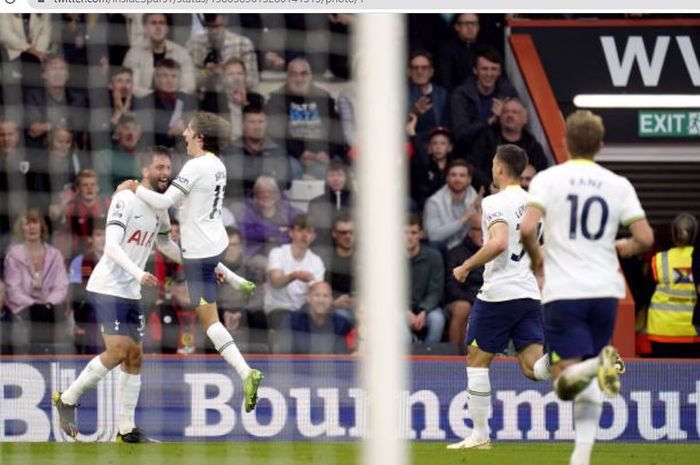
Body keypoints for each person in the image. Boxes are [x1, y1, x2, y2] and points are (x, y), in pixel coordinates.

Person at [520, 110, 654, 465]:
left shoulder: (548, 180)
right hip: (606, 291)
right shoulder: (617, 184)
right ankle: (581, 457)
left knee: (565, 383)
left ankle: (595, 369)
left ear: (564, 143)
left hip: (565, 291)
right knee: (587, 385)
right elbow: (645, 237)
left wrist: (536, 259)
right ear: (600, 145)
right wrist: (622, 247)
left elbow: (526, 229)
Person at [118, 112, 263, 412]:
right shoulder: (218, 165)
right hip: (216, 242)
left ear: (200, 137)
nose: (184, 133)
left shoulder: (196, 166)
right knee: (186, 256)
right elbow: (191, 199)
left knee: (210, 323)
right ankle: (235, 278)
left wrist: (134, 187)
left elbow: (163, 202)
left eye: (189, 129)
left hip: (199, 250)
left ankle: (247, 372)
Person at [52, 147, 182, 442]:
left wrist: (197, 261)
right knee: (118, 352)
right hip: (109, 285)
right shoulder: (125, 198)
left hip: (132, 290)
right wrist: (138, 274)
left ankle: (125, 431)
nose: (165, 174)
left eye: (167, 168)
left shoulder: (160, 206)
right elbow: (111, 246)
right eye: (159, 167)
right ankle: (68, 399)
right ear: (144, 170)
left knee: (135, 357)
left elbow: (165, 245)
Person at [447, 144, 551, 450]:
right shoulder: (537, 203)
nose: (492, 169)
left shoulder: (494, 202)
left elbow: (499, 242)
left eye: (493, 164)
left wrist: (466, 266)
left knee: (477, 361)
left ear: (501, 169)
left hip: (499, 294)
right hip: (529, 294)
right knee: (533, 368)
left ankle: (479, 436)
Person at [3, 209, 69, 354]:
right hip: (22, 309)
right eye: (27, 224)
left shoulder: (55, 255)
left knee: (51, 317)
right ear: (21, 228)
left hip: (50, 308)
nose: (32, 227)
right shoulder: (13, 255)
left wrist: (48, 303)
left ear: (41, 226)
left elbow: (61, 286)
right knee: (34, 318)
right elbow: (13, 289)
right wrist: (33, 304)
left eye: (35, 222)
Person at [264, 213, 325, 353]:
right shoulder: (277, 253)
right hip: (278, 308)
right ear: (291, 233)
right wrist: (295, 275)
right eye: (300, 230)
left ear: (314, 236)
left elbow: (316, 291)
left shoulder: (316, 261)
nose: (304, 235)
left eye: (309, 231)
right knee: (289, 321)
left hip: (305, 309)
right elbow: (275, 282)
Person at [646, 213, 699, 357]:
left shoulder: (658, 260)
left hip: (663, 332)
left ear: (673, 235)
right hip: (695, 333)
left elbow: (645, 294)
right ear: (695, 235)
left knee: (664, 378)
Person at [469, 97, 549, 191]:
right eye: (505, 112)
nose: (510, 115)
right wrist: (489, 185)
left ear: (525, 119)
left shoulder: (532, 145)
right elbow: (472, 166)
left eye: (515, 112)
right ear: (500, 117)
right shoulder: (487, 138)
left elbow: (543, 174)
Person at [450, 47, 517, 153]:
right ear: (475, 70)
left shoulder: (507, 92)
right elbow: (460, 133)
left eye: (493, 69)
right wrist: (490, 121)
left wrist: (505, 115)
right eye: (484, 69)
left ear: (499, 71)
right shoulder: (461, 95)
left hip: (501, 151)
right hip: (469, 152)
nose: (489, 74)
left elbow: (517, 129)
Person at [123, 13, 196, 98]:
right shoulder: (134, 53)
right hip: (142, 104)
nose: (158, 27)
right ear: (145, 28)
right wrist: (157, 98)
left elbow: (189, 86)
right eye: (153, 23)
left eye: (161, 23)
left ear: (167, 28)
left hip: (174, 103)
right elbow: (130, 86)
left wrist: (170, 97)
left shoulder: (181, 53)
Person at [444, 212, 484, 353]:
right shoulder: (455, 253)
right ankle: (455, 357)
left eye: (486, 229)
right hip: (459, 301)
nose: (483, 234)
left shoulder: (497, 253)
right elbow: (451, 287)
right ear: (469, 232)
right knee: (463, 307)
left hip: (486, 300)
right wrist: (473, 301)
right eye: (478, 229)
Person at [423, 159, 481, 252]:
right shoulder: (434, 202)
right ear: (447, 178)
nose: (457, 179)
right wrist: (464, 219)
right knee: (434, 245)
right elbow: (433, 236)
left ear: (469, 180)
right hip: (444, 247)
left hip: (470, 248)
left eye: (462, 175)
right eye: (453, 175)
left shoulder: (477, 201)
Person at [405, 213, 445, 343]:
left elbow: (436, 291)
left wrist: (424, 311)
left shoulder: (434, 256)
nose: (409, 237)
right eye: (404, 232)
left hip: (427, 308)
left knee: (437, 320)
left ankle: (428, 357)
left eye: (413, 232)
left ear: (421, 234)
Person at [290, 281, 353, 355]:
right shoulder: (293, 320)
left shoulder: (341, 323)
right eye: (317, 295)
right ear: (308, 298)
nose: (321, 300)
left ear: (331, 300)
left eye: (325, 296)